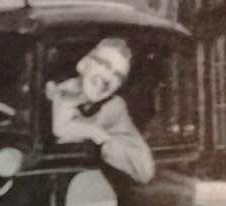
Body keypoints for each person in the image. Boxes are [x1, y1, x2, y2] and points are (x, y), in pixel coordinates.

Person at [47, 38, 155, 184]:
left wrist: (98, 136)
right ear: (83, 64)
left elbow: (145, 169)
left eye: (118, 76)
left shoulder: (113, 108)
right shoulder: (50, 94)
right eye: (104, 64)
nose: (108, 78)